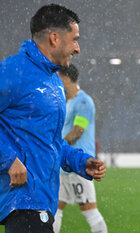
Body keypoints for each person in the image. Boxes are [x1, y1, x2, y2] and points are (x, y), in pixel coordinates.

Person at [0, 4, 106, 233]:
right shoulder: (12, 71)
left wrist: (80, 162)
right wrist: (9, 159)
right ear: (55, 38)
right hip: (22, 202)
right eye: (74, 39)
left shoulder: (54, 82)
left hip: (43, 198)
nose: (77, 49)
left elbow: (50, 142)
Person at [53, 64, 107, 233]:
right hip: (64, 167)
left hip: (80, 165)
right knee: (55, 210)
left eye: (58, 77)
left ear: (66, 78)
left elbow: (78, 131)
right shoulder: (68, 101)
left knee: (90, 211)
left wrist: (54, 144)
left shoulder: (83, 101)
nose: (56, 81)